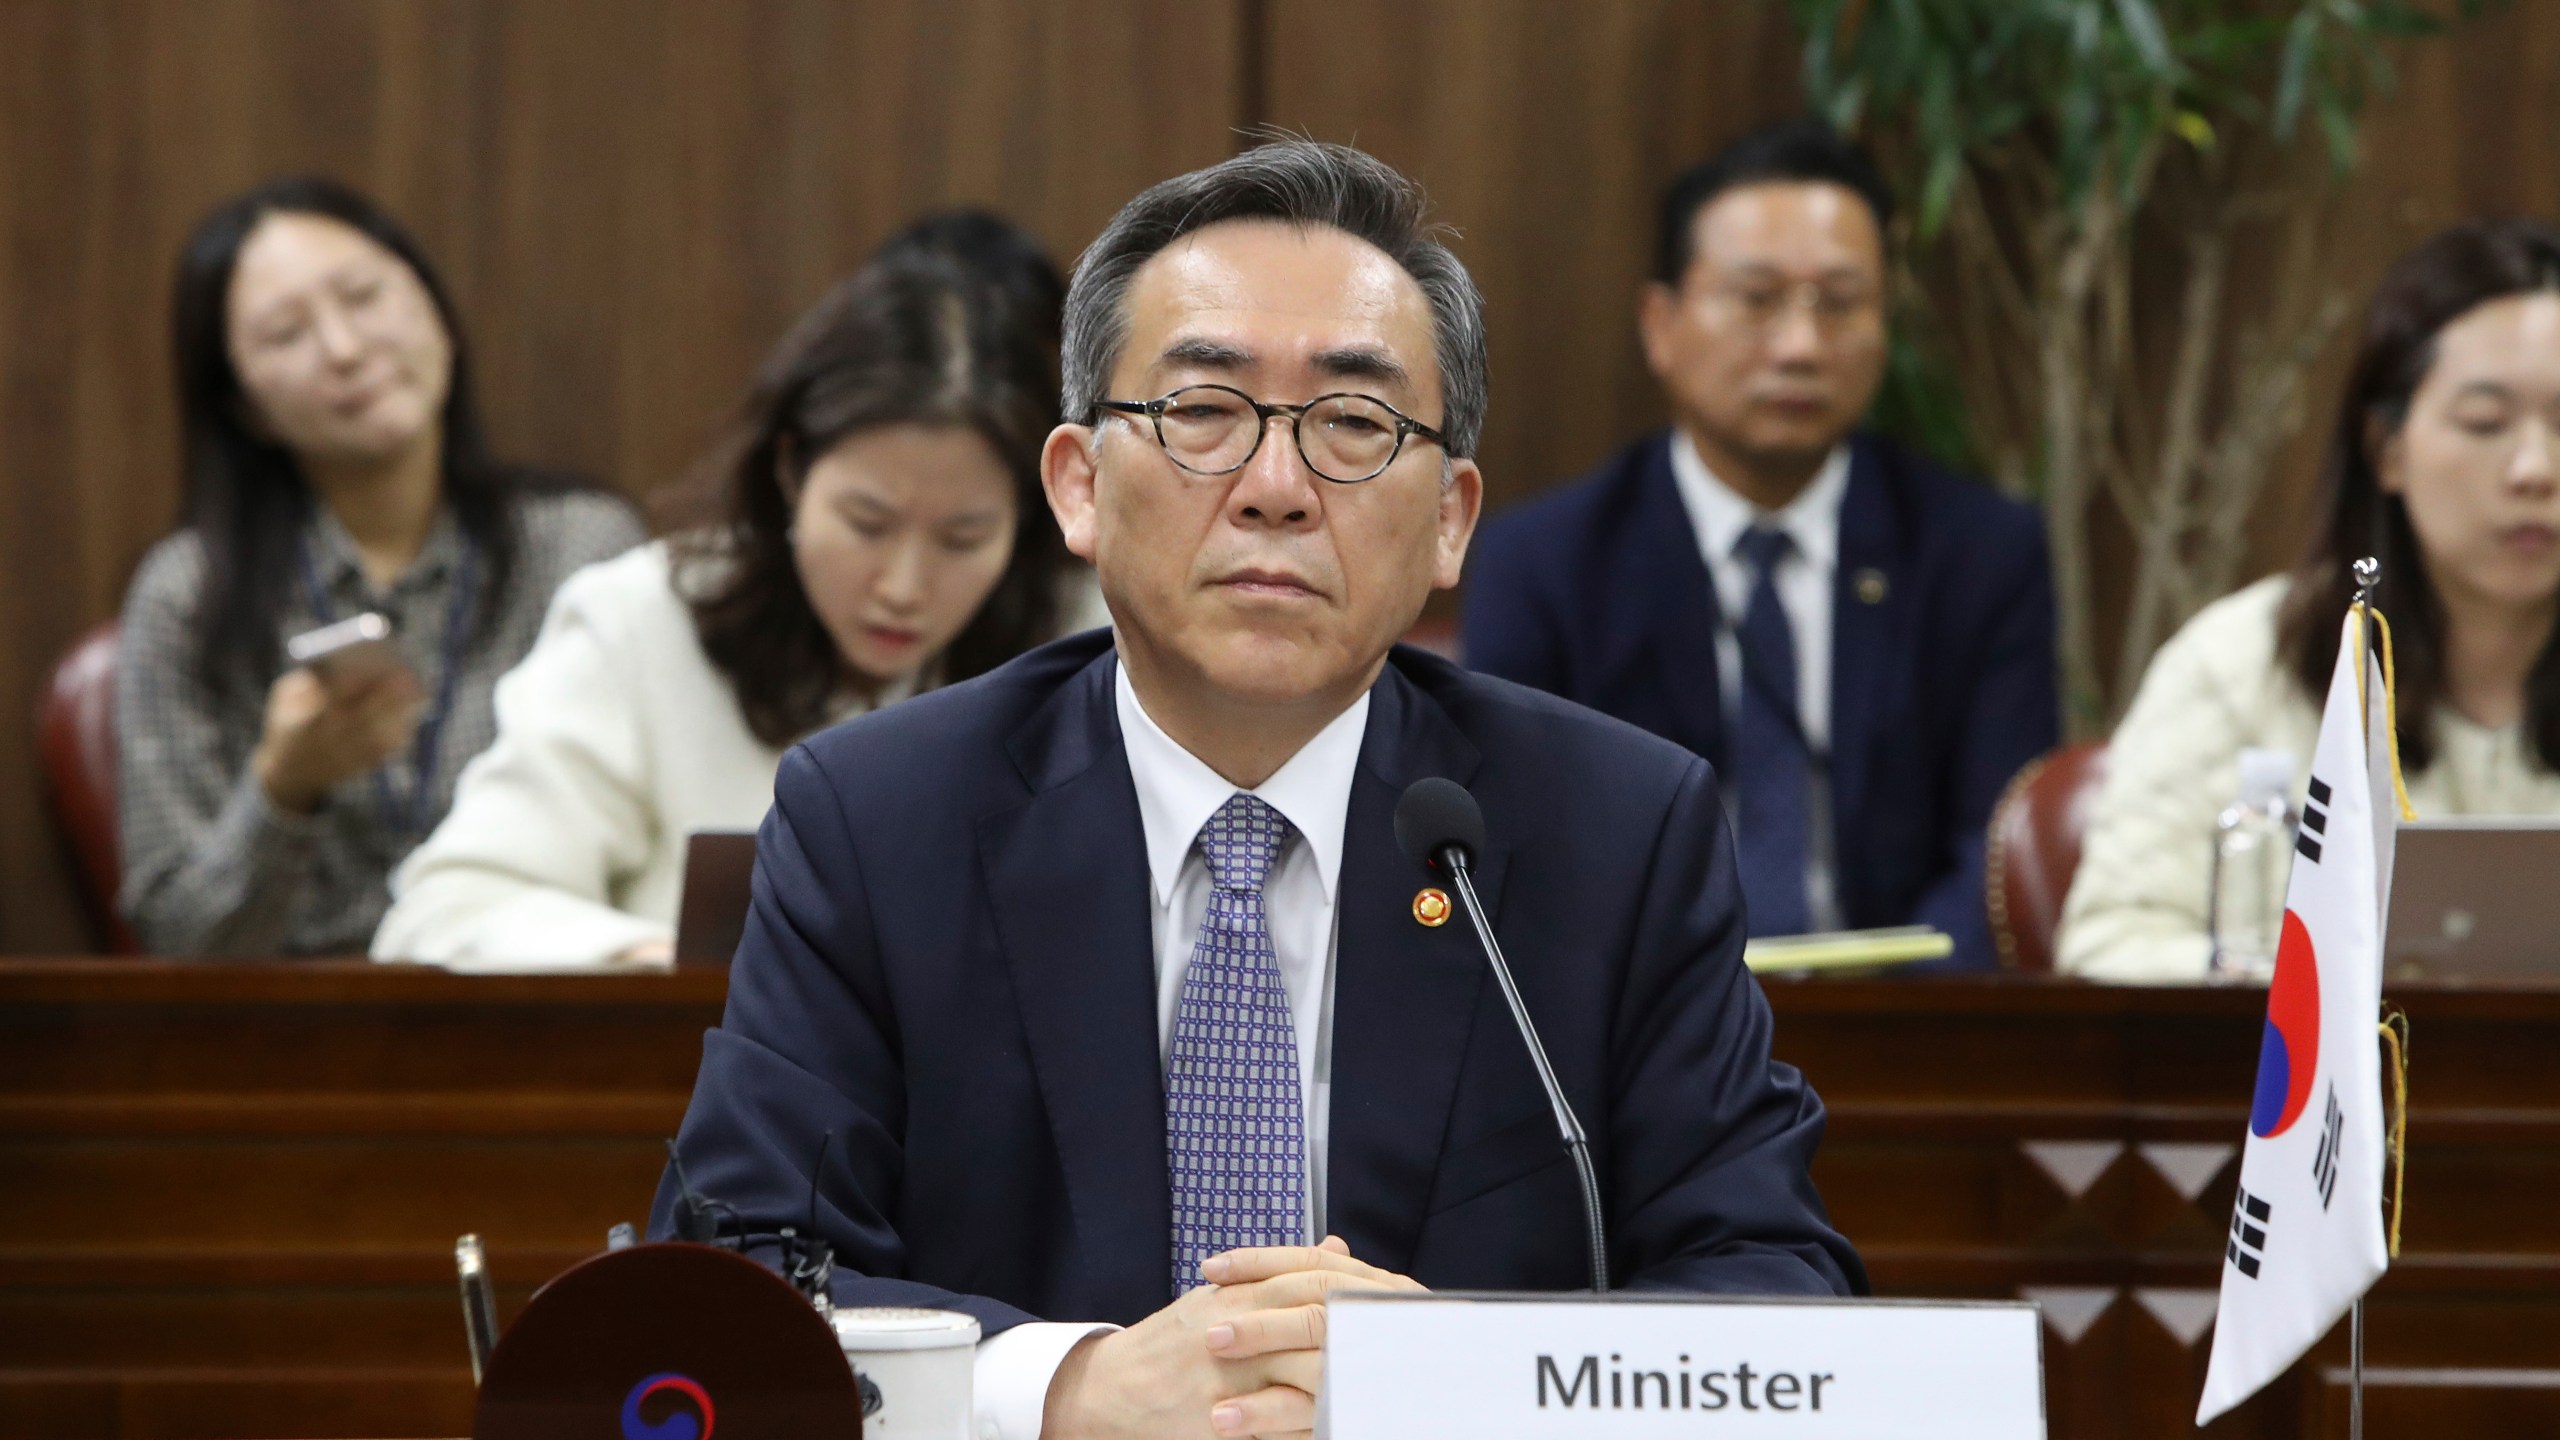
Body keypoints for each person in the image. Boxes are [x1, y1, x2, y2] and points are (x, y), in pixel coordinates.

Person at [650, 140, 1862, 1440]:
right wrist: (1067, 1390)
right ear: (1078, 487)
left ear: (1452, 519)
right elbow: (732, 1284)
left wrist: (1460, 1376)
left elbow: (1780, 1297)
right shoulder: (879, 818)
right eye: (1204, 413)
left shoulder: (1616, 833)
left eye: (1353, 425)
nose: (1276, 491)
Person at [372, 213, 1081, 967]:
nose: (903, 587)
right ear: (790, 470)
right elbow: (445, 911)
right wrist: (657, 963)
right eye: (866, 524)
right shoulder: (643, 621)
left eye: (962, 538)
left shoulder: (1088, 641)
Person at [1460, 119, 2057, 969]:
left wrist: (1909, 1024)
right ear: (1661, 323)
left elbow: (1999, 851)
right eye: (1757, 298)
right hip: (1641, 1041)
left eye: (1841, 302)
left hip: (1909, 1027)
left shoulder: (1980, 554)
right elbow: (1524, 852)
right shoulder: (1551, 564)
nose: (1800, 345)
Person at [117, 177, 643, 956]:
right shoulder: (187, 597)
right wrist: (282, 793)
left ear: (436, 312)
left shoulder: (580, 548)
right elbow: (177, 944)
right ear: (244, 405)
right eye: (286, 333)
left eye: (363, 297)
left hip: (542, 1010)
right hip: (294, 1044)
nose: (344, 348)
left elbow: (647, 843)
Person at [2061, 220, 2560, 983]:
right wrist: (2312, 992)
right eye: (2486, 423)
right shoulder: (2240, 666)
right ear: (2387, 448)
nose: (2534, 469)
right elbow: (2108, 946)